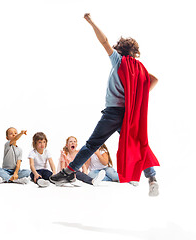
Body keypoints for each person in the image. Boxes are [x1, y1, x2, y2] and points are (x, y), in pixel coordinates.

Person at [50, 13, 160, 196]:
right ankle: (152, 178)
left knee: (92, 144)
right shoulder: (139, 70)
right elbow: (154, 80)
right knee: (140, 144)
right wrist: (138, 96)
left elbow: (104, 41)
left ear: (120, 50)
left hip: (112, 113)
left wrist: (91, 22)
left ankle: (69, 172)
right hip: (129, 114)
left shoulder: (119, 62)